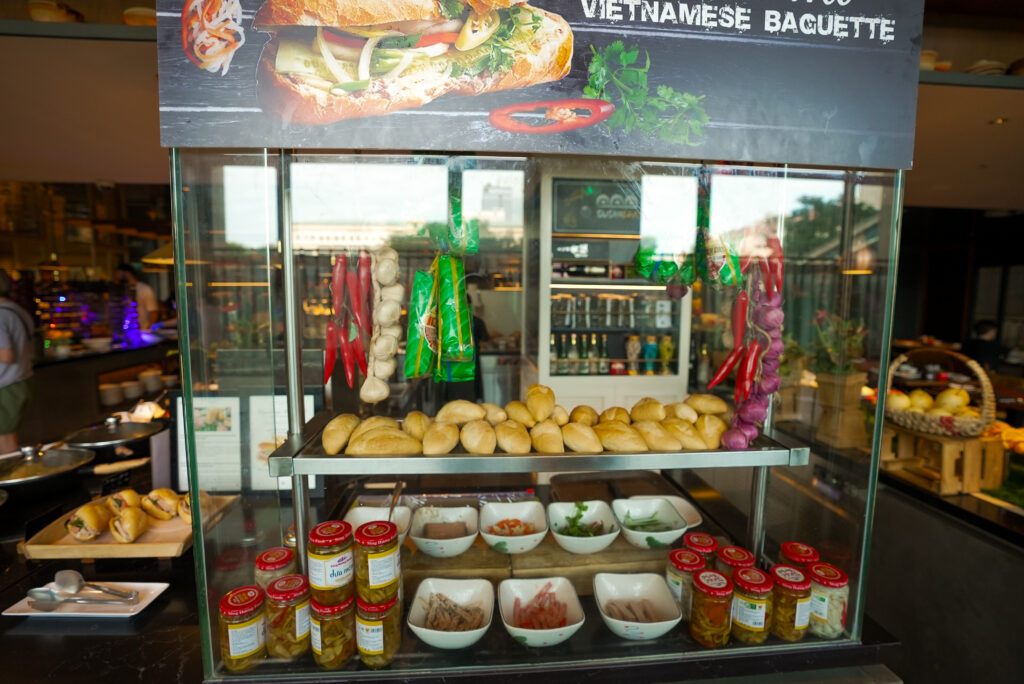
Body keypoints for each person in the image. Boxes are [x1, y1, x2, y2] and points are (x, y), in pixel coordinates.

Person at [0, 270, 34, 453]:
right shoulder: (16, 310)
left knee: (5, 443)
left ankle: (11, 479)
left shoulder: (0, 315)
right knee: (8, 437)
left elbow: (6, 355)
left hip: (5, 385)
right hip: (20, 381)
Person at [116, 263, 158, 331]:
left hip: (141, 332)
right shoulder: (121, 290)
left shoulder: (144, 289)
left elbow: (153, 312)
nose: (117, 276)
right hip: (125, 333)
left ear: (127, 273)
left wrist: (148, 329)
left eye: (119, 273)